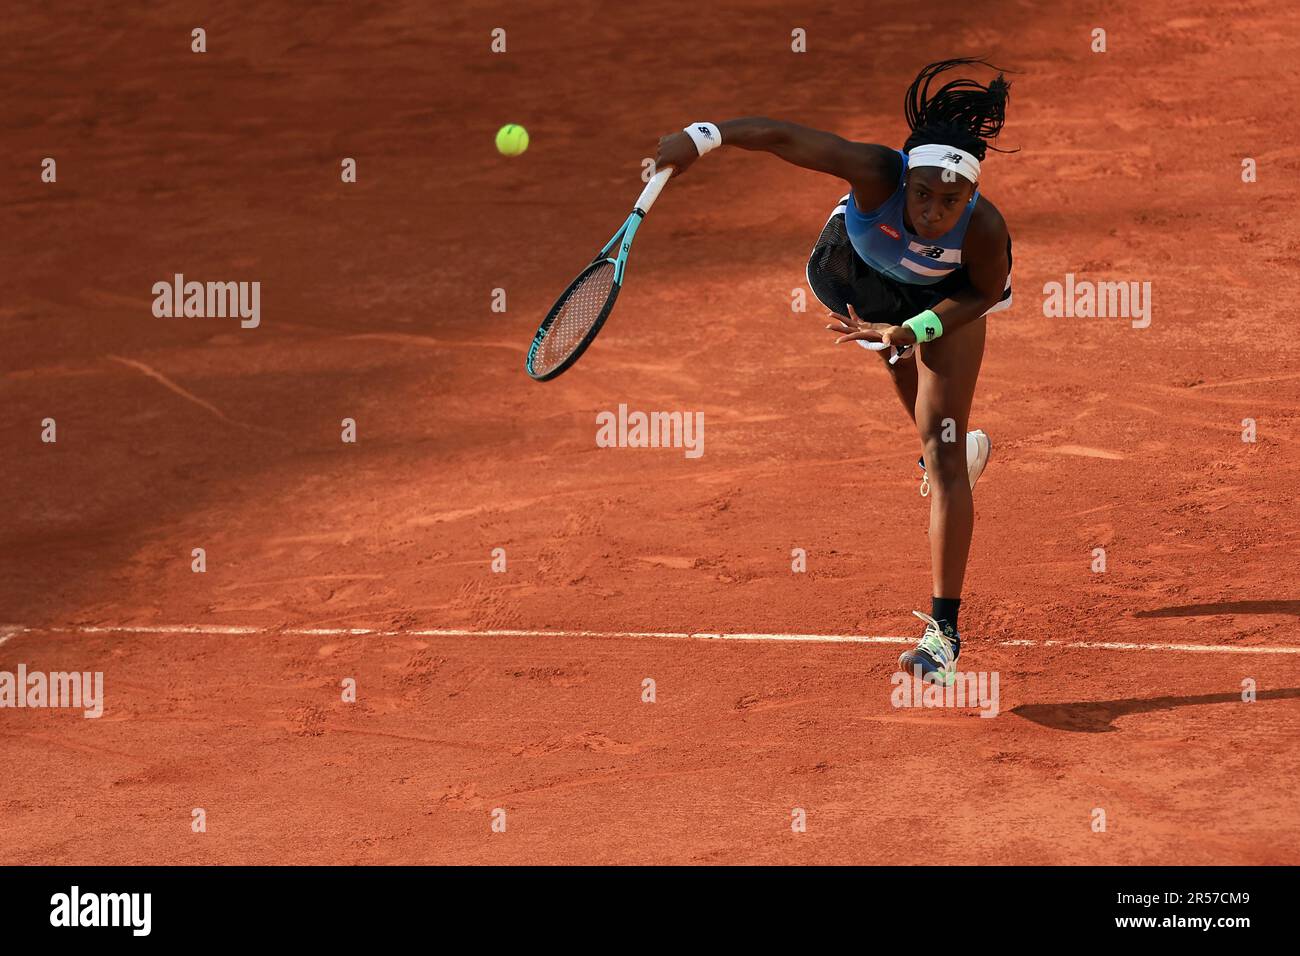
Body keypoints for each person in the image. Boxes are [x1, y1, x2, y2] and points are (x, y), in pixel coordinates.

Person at [653, 57, 1015, 684]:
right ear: (906, 179)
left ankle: (943, 636)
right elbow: (784, 137)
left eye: (949, 201)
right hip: (858, 279)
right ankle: (932, 434)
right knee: (903, 375)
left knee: (946, 450)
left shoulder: (983, 230)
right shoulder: (877, 172)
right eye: (922, 194)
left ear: (972, 195)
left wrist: (916, 328)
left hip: (943, 300)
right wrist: (702, 136)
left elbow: (981, 294)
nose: (931, 211)